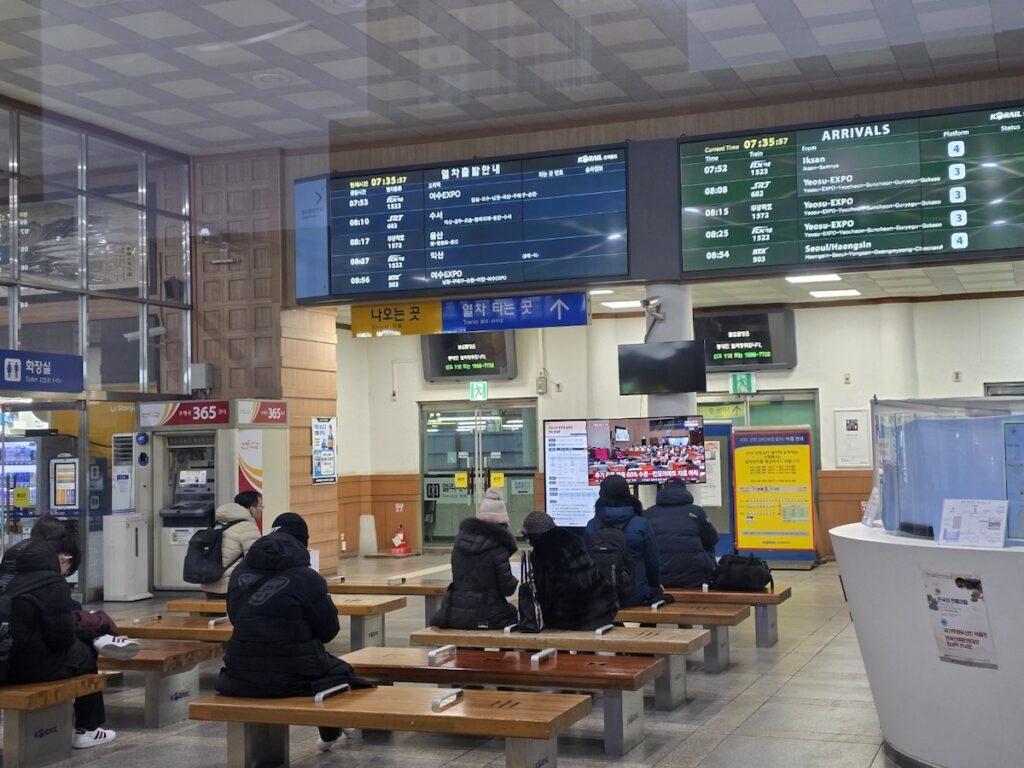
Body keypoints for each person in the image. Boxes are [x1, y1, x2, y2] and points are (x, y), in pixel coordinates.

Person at [216, 513, 370, 752]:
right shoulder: (307, 577)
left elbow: (237, 618)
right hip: (290, 676)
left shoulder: (240, 573)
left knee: (316, 667)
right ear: (302, 543)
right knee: (340, 673)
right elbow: (329, 630)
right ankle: (331, 730)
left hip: (238, 674)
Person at [3, 536, 119, 749]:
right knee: (84, 654)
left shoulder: (5, 579)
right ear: (64, 559)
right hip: (24, 668)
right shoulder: (53, 583)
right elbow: (62, 638)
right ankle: (88, 729)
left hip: (3, 665)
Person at [430, 487, 518, 629]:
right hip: (487, 614)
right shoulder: (497, 548)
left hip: (454, 613)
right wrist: (514, 580)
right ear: (502, 523)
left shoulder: (459, 543)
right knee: (514, 615)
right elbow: (507, 589)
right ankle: (501, 652)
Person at [521, 510, 618, 630]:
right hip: (604, 606)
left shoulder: (543, 550)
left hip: (578, 617)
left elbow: (546, 594)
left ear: (534, 536)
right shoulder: (574, 540)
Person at [584, 474, 662, 607]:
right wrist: (655, 586)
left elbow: (586, 563)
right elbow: (652, 561)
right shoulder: (641, 524)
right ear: (628, 493)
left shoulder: (592, 525)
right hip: (636, 595)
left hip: (602, 596)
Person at [644, 478, 719, 588]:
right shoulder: (696, 511)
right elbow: (713, 539)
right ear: (684, 490)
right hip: (695, 578)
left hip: (660, 578)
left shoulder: (648, 513)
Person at [201, 491, 262, 598]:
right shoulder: (248, 527)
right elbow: (256, 560)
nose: (261, 510)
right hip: (232, 588)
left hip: (208, 586)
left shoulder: (218, 524)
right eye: (260, 506)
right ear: (252, 509)